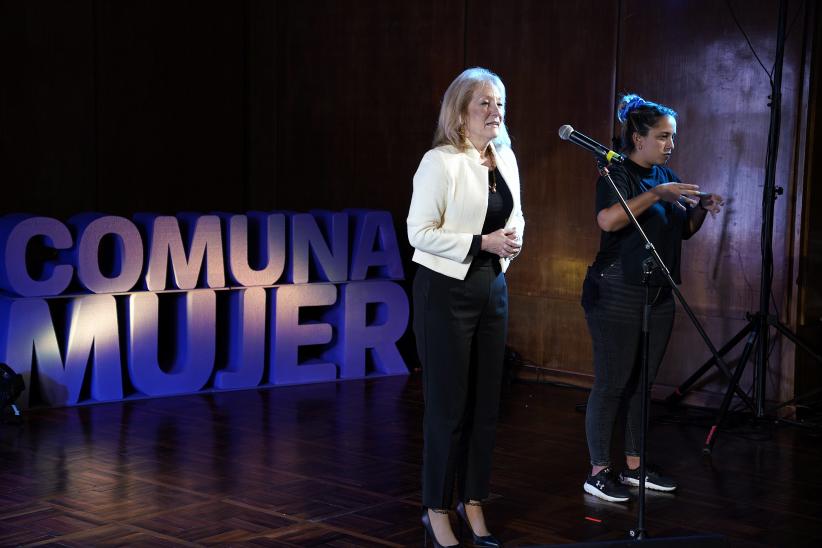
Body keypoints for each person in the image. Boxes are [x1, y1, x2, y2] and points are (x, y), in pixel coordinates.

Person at [580, 94, 724, 503]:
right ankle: (598, 471)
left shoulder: (666, 175)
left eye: (672, 137)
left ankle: (634, 467)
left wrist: (701, 209)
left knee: (642, 384)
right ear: (637, 137)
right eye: (662, 136)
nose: (670, 144)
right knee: (612, 382)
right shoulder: (616, 173)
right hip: (616, 291)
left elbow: (680, 231)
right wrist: (657, 194)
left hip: (658, 293)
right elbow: (609, 220)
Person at [407, 67, 524, 547]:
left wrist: (511, 245)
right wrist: (482, 243)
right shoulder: (439, 161)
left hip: (492, 288)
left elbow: (516, 217)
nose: (496, 112)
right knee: (448, 408)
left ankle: (472, 501)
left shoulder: (505, 158)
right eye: (485, 104)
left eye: (499, 103)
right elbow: (419, 232)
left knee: (485, 406)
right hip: (445, 291)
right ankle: (436, 509)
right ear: (460, 112)